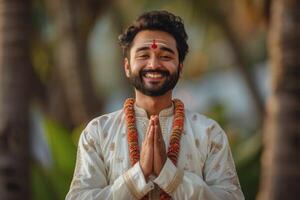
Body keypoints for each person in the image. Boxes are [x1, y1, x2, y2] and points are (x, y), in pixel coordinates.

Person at [66, 10, 244, 200]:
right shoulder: (98, 133)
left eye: (165, 57)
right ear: (127, 67)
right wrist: (137, 176)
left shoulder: (208, 133)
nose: (153, 64)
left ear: (180, 68)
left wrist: (171, 177)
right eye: (143, 55)